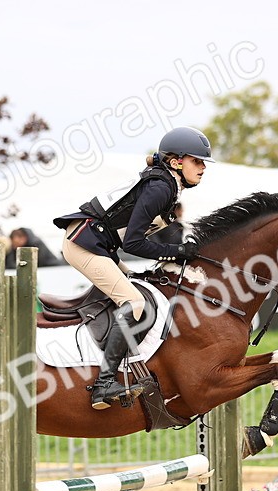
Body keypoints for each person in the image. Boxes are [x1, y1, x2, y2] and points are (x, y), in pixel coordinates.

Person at [52, 126, 212, 410]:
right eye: (197, 161)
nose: (202, 168)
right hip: (83, 243)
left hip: (99, 244)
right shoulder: (161, 187)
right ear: (177, 162)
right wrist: (176, 251)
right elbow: (135, 244)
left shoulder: (167, 185)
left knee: (137, 282)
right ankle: (103, 385)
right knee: (135, 302)